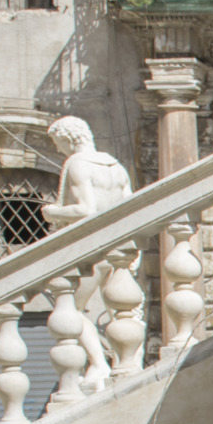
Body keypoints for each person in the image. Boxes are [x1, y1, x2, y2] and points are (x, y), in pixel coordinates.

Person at [41, 116, 132, 392]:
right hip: (119, 247)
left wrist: (51, 211)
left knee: (71, 309)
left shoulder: (77, 163)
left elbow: (85, 210)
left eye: (58, 144)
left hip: (92, 250)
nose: (59, 151)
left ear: (69, 139)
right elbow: (130, 205)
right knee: (121, 311)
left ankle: (98, 363)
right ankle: (125, 362)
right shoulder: (116, 166)